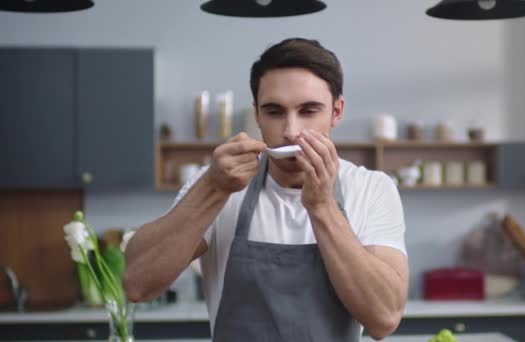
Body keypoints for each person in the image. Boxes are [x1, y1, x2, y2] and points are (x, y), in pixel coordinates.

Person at [123, 38, 409, 341]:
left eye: (309, 110)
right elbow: (138, 284)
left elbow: (384, 319)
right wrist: (212, 189)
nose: (290, 131)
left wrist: (322, 207)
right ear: (257, 114)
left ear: (336, 112)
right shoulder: (218, 183)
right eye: (274, 112)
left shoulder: (371, 189)